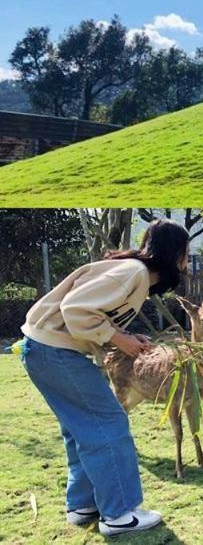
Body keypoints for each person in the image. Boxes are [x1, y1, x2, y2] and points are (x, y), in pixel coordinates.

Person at [20, 219, 190, 536]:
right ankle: (119, 514)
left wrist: (124, 336)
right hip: (54, 350)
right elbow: (76, 308)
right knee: (109, 423)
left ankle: (83, 504)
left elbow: (94, 315)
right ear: (175, 252)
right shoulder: (133, 273)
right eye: (186, 253)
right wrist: (117, 337)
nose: (188, 261)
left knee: (81, 428)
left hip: (45, 350)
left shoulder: (134, 274)